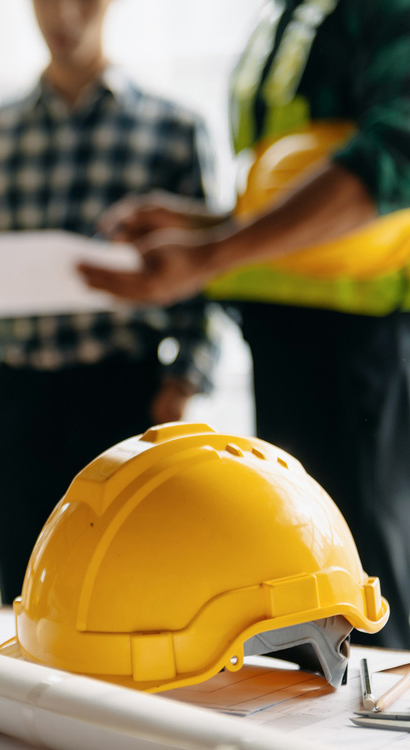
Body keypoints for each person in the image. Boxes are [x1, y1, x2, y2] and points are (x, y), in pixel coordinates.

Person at [80, 0, 410, 648]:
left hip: (357, 345)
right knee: (311, 588)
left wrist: (209, 255)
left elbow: (392, 156)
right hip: (286, 340)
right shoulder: (296, 15)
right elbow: (290, 187)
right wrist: (202, 226)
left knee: (369, 592)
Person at [0, 0, 219, 605]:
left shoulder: (174, 128)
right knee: (23, 601)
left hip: (125, 399)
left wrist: (182, 385)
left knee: (133, 600)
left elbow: (204, 277)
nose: (64, 14)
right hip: (14, 401)